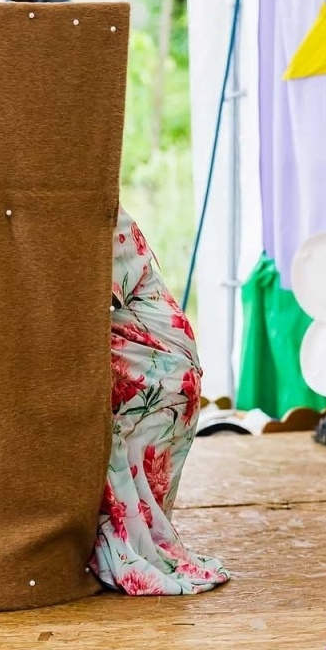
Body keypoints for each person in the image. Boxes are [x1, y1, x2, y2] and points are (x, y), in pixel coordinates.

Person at [94, 207, 228, 595]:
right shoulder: (99, 209)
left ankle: (128, 542)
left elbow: (87, 302)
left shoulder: (101, 219)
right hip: (167, 367)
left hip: (161, 369)